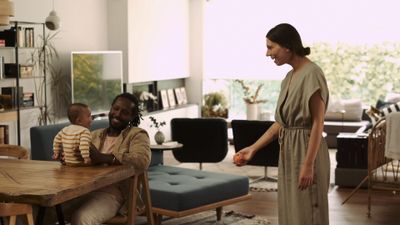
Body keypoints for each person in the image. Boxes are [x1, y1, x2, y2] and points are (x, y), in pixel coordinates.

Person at [234, 23, 330, 225]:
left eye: (271, 47)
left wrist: (308, 164)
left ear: (287, 46)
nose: (267, 54)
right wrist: (253, 148)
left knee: (307, 213)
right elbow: (281, 123)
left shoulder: (312, 74)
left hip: (306, 152)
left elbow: (318, 122)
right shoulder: (289, 77)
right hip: (289, 153)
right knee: (291, 211)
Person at [54, 92, 151, 225]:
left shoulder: (137, 135)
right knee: (42, 210)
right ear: (110, 109)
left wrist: (103, 158)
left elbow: (142, 160)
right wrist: (68, 159)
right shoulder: (93, 135)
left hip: (114, 195)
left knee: (81, 218)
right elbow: (82, 162)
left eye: (124, 112)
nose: (117, 114)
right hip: (83, 190)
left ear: (132, 116)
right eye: (115, 109)